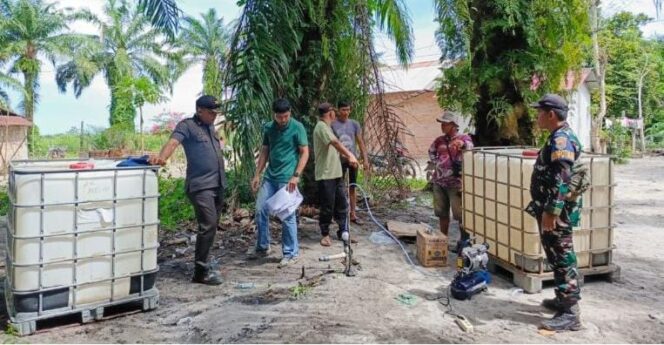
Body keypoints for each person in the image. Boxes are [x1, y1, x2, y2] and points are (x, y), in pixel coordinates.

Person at [150, 95, 226, 285]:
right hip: (200, 186)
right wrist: (162, 158)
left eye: (216, 114)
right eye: (211, 113)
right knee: (208, 224)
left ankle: (206, 264)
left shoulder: (210, 127)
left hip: (218, 184)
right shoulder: (187, 126)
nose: (214, 117)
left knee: (212, 226)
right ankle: (200, 271)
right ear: (200, 110)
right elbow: (173, 142)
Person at [526, 94, 583, 332]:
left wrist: (552, 211)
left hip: (556, 213)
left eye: (539, 112)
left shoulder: (561, 139)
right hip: (550, 209)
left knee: (562, 257)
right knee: (556, 255)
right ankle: (563, 299)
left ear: (551, 114)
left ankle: (570, 312)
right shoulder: (558, 137)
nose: (536, 116)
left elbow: (563, 177)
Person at [248, 98, 309, 268]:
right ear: (274, 115)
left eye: (286, 116)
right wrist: (257, 174)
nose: (283, 120)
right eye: (279, 117)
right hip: (270, 177)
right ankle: (262, 247)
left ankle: (291, 253)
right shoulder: (269, 127)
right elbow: (265, 150)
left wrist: (296, 175)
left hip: (287, 179)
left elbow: (304, 152)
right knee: (260, 209)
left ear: (290, 113)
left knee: (287, 214)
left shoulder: (297, 127)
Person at [314, 103, 359, 247]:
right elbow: (334, 142)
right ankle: (325, 234)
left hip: (336, 173)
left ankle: (343, 232)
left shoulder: (328, 128)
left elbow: (336, 147)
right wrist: (350, 154)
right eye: (334, 112)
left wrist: (348, 159)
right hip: (325, 174)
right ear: (330, 113)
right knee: (327, 205)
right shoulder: (321, 127)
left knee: (342, 203)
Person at [428, 111, 473, 238]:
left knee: (460, 215)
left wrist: (462, 145)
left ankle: (463, 242)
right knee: (442, 213)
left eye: (445, 124)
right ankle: (443, 240)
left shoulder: (464, 138)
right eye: (441, 123)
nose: (442, 126)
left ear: (453, 125)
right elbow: (431, 152)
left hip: (456, 183)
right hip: (439, 182)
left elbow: (470, 147)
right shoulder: (439, 141)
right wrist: (438, 164)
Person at [331, 101, 370, 224]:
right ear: (338, 110)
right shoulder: (333, 124)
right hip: (339, 160)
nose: (346, 112)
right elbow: (332, 143)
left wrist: (365, 159)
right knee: (337, 187)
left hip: (353, 160)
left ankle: (353, 213)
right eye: (343, 110)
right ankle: (337, 214)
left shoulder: (354, 124)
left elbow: (360, 142)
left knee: (352, 187)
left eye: (348, 110)